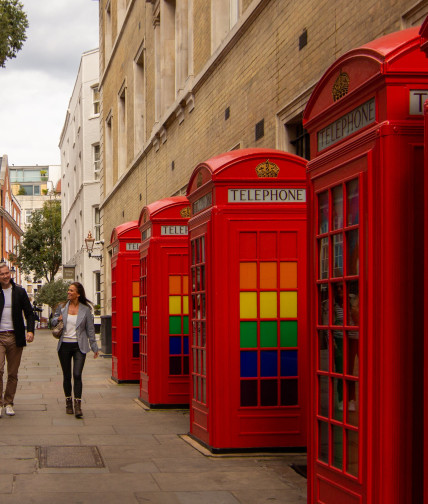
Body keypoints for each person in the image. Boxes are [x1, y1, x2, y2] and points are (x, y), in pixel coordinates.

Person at [52, 282, 99, 418]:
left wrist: (94, 347)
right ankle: (68, 402)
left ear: (78, 294)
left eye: (71, 290)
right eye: (68, 290)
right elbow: (53, 322)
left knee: (77, 375)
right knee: (67, 376)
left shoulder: (85, 310)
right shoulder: (62, 307)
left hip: (79, 346)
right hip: (64, 345)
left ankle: (78, 405)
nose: (68, 292)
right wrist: (57, 319)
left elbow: (90, 330)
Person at [0, 262, 35, 417]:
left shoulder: (19, 292)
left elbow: (29, 313)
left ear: (10, 274)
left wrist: (30, 331)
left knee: (12, 373)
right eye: (2, 274)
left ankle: (8, 402)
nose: (5, 276)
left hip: (15, 336)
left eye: (7, 273)